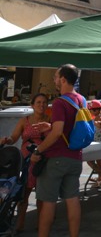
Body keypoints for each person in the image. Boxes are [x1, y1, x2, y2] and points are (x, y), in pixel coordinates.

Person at [28, 65, 85, 237]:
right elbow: (69, 126)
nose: (53, 80)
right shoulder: (81, 100)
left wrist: (38, 150)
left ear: (63, 79)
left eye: (55, 76)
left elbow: (58, 132)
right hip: (75, 156)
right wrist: (52, 126)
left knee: (48, 202)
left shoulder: (60, 102)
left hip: (57, 158)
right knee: (72, 199)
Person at [0, 92, 51, 232]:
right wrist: (6, 140)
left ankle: (41, 224)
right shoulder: (25, 120)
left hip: (43, 160)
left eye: (44, 102)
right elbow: (14, 137)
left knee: (42, 194)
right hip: (26, 160)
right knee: (23, 194)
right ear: (32, 105)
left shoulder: (50, 120)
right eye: (38, 102)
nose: (41, 105)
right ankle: (19, 223)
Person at [86, 100, 101, 186]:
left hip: (100, 143)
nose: (90, 111)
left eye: (90, 110)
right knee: (97, 162)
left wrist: (98, 124)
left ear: (95, 110)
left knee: (91, 160)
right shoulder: (96, 117)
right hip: (96, 142)